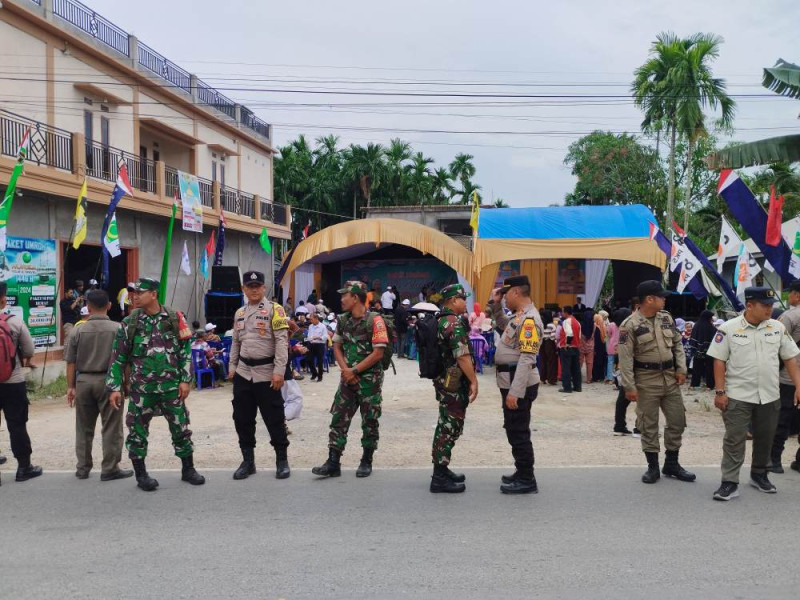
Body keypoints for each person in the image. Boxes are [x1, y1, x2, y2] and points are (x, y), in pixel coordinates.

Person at [106, 277, 205, 492]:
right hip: (142, 390)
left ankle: (188, 469)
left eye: (140, 292)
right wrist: (114, 387)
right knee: (136, 433)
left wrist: (185, 380)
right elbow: (118, 357)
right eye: (134, 292)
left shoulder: (174, 317)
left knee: (181, 428)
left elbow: (185, 351)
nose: (135, 296)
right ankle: (141, 475)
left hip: (171, 388)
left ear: (153, 294)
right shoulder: (129, 323)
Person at [707, 287, 800, 501]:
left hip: (769, 395)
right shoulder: (729, 329)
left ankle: (760, 474)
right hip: (738, 395)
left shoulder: (777, 328)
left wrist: (798, 386)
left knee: (766, 438)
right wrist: (720, 392)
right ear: (750, 306)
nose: (770, 309)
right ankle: (729, 482)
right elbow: (719, 360)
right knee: (735, 438)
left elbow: (790, 358)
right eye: (765, 305)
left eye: (771, 305)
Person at [618, 280, 694, 485]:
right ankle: (653, 467)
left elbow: (677, 344)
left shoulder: (666, 318)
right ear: (649, 299)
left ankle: (671, 463)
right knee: (648, 424)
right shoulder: (629, 325)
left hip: (670, 377)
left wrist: (681, 368)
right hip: (646, 380)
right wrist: (629, 386)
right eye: (661, 296)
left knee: (677, 421)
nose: (664, 298)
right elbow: (625, 359)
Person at [312, 281, 388, 479]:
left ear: (355, 297)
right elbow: (336, 346)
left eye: (344, 295)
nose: (341, 299)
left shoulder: (375, 320)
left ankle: (366, 460)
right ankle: (333, 462)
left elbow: (378, 353)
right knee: (338, 418)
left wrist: (354, 370)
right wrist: (346, 370)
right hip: (347, 378)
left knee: (369, 420)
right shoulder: (343, 319)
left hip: (369, 381)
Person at [227, 271, 291, 480]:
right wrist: (232, 367)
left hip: (267, 374)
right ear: (244, 289)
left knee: (274, 418)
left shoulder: (276, 310)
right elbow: (236, 342)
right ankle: (248, 461)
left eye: (258, 286)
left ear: (264, 288)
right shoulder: (239, 313)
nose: (254, 289)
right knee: (242, 419)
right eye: (249, 286)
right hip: (244, 373)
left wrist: (279, 372)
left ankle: (282, 461)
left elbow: (282, 341)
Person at [65, 289, 132, 482]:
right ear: (109, 306)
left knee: (83, 427)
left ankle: (82, 468)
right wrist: (125, 383)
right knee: (111, 426)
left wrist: (71, 387)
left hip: (83, 381)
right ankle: (110, 468)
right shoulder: (119, 329)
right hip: (110, 382)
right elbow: (124, 361)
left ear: (89, 307)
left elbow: (70, 361)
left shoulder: (78, 330)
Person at [490, 275, 544, 494]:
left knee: (519, 430)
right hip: (510, 381)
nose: (504, 299)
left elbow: (527, 358)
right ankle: (521, 471)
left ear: (515, 293)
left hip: (517, 383)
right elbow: (505, 327)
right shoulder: (520, 317)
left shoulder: (530, 319)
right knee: (513, 428)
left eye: (505, 295)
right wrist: (495, 305)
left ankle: (527, 478)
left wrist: (515, 392)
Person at [429, 284, 478, 493]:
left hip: (445, 381)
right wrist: (474, 380)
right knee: (449, 425)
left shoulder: (441, 320)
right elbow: (462, 355)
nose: (464, 302)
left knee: (447, 424)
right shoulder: (452, 323)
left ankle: (442, 468)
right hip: (453, 384)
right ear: (452, 301)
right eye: (461, 298)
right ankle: (439, 476)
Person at [0, 281, 41, 484]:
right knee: (16, 424)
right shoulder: (14, 322)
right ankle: (24, 467)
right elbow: (29, 350)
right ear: (3, 300)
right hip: (12, 381)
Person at [770, 281, 800, 474]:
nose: (789, 296)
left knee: (783, 419)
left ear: (797, 295)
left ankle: (774, 460)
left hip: (788, 378)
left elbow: (773, 344)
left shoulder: (790, 316)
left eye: (791, 293)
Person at [610, 308, 636, 435]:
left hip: (623, 365)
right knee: (627, 397)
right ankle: (638, 426)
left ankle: (620, 424)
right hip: (628, 367)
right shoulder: (625, 330)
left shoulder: (622, 329)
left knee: (623, 398)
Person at [688, 311, 716, 390]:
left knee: (696, 368)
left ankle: (694, 384)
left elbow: (693, 338)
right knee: (710, 368)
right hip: (709, 352)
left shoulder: (697, 325)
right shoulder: (710, 327)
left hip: (697, 351)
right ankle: (710, 385)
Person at [558, 306, 581, 393]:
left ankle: (567, 388)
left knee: (566, 368)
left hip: (567, 348)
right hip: (576, 347)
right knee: (576, 368)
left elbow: (570, 333)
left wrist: (567, 344)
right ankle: (577, 386)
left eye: (563, 312)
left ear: (566, 313)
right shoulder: (577, 322)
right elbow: (579, 336)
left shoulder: (566, 321)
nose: (562, 314)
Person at [306, 312, 328, 383]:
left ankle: (320, 376)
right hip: (311, 344)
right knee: (309, 359)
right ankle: (314, 373)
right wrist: (309, 338)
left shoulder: (322, 326)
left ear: (316, 319)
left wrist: (318, 337)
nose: (310, 321)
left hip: (320, 345)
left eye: (311, 319)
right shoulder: (310, 326)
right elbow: (309, 336)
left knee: (319, 361)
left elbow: (325, 337)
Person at [538, 310, 558, 385]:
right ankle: (551, 379)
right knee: (551, 362)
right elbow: (553, 337)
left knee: (543, 361)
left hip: (542, 343)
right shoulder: (552, 325)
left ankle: (543, 378)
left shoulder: (541, 324)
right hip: (549, 343)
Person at [578, 309, 596, 384]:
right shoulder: (594, 325)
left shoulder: (580, 324)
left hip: (581, 346)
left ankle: (578, 377)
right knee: (590, 363)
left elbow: (579, 335)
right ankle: (589, 379)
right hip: (590, 346)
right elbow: (593, 335)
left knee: (580, 362)